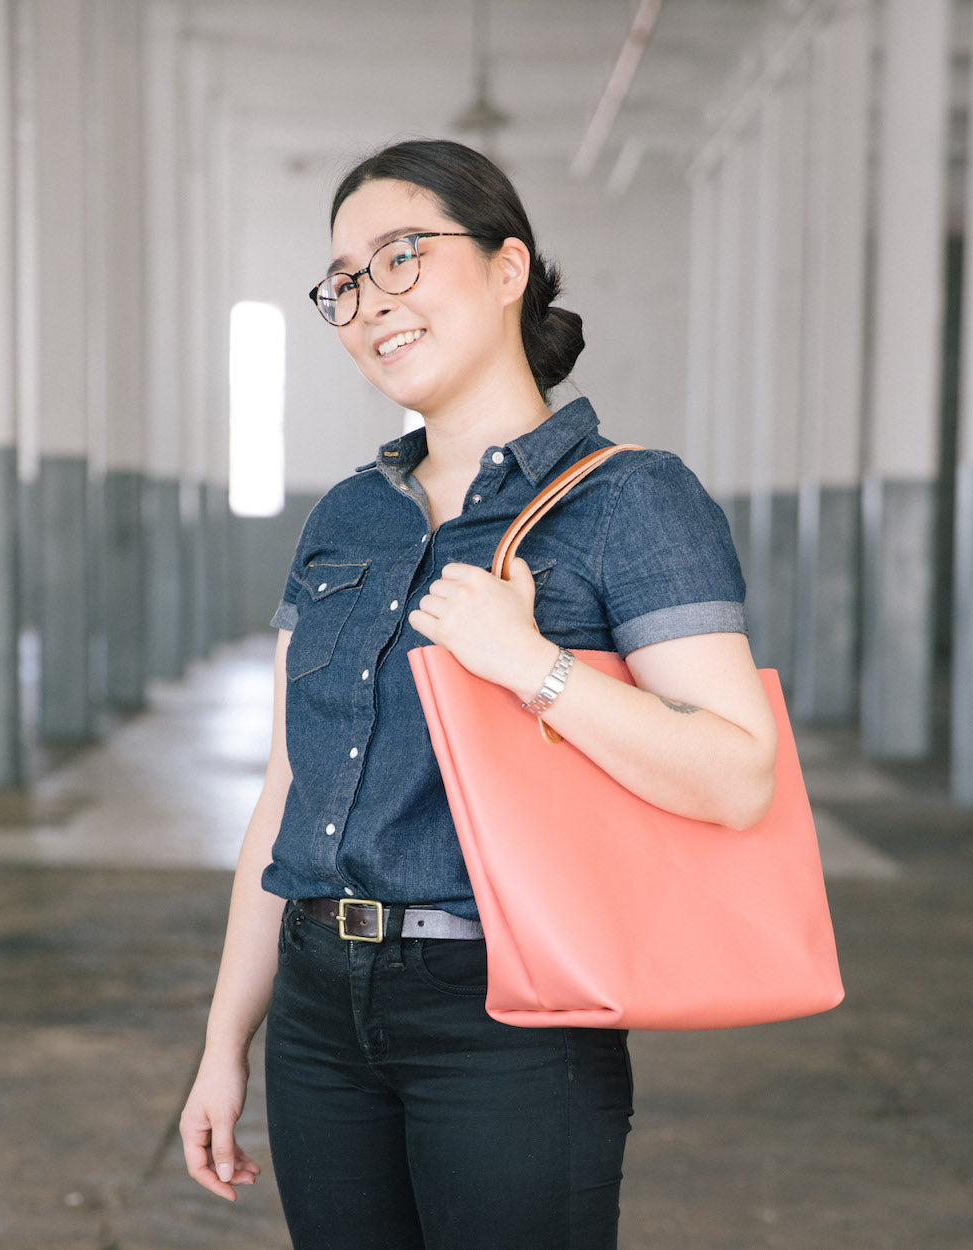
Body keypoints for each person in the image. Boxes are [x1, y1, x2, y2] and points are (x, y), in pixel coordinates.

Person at [179, 138, 777, 1249]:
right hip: (317, 1006)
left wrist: (529, 664)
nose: (368, 300)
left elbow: (739, 776)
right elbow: (284, 793)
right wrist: (226, 1042)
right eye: (344, 279)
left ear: (510, 268)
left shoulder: (631, 501)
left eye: (402, 255)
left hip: (506, 1008)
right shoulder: (345, 517)